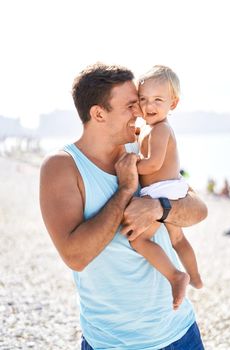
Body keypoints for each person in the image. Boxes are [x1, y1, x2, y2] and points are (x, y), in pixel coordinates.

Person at [40, 63, 207, 350]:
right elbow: (75, 256)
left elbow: (198, 209)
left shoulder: (140, 150)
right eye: (132, 105)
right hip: (114, 342)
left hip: (180, 331)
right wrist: (127, 189)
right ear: (98, 113)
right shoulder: (62, 167)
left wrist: (159, 208)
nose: (140, 112)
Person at [129, 66, 203, 312]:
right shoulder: (149, 128)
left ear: (174, 103)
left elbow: (153, 164)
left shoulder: (161, 129)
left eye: (158, 100)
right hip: (169, 188)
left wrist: (131, 165)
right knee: (178, 239)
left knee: (139, 239)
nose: (149, 105)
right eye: (143, 99)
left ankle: (176, 275)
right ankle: (196, 277)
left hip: (162, 191)